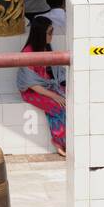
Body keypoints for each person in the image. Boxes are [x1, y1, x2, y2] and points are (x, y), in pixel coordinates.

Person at [16, 15, 66, 155]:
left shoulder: (45, 47)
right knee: (57, 107)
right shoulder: (28, 52)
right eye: (50, 32)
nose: (52, 35)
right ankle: (58, 142)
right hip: (31, 91)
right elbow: (30, 83)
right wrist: (54, 95)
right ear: (40, 33)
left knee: (69, 99)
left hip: (47, 87)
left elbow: (54, 71)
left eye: (52, 31)